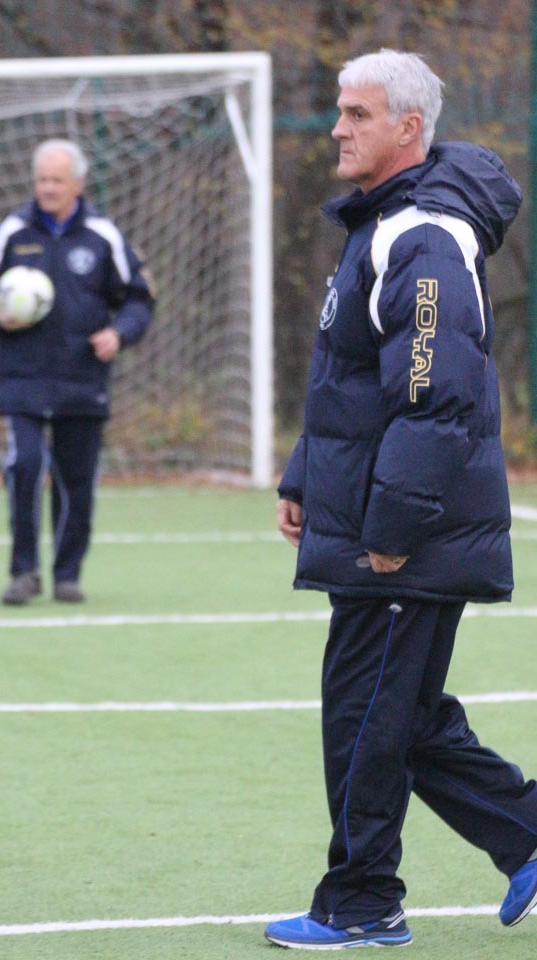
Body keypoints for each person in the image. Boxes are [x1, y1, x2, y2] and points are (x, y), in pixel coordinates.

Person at [264, 49, 537, 950]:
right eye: (340, 111)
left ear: (409, 128)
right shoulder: (382, 225)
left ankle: (361, 902)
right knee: (402, 720)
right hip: (383, 521)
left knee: (366, 722)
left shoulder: (423, 235)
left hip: (405, 536)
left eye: (358, 114)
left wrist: (389, 529)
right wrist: (305, 476)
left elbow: (434, 398)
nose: (338, 128)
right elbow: (351, 380)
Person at [0, 139, 154, 605]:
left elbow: (138, 298)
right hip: (23, 379)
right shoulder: (12, 233)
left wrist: (119, 334)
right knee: (25, 466)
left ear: (77, 184)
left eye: (57, 180)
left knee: (76, 480)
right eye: (42, 180)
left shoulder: (102, 235)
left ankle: (67, 573)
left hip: (82, 379)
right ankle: (24, 572)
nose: (48, 188)